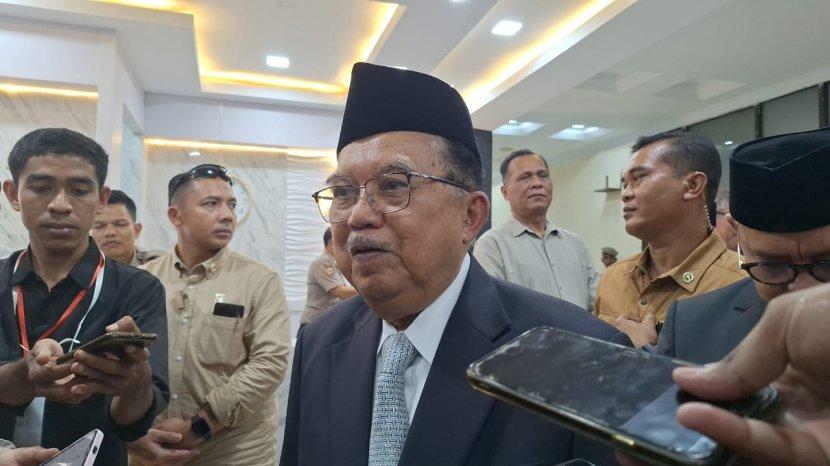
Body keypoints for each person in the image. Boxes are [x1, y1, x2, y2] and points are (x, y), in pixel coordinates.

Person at [281, 62, 630, 466]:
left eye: (393, 186)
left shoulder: (581, 355)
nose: (358, 215)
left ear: (470, 216)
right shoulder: (320, 342)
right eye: (343, 192)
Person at [0, 128, 169, 465]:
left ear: (101, 200)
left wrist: (135, 384)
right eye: (41, 188)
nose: (60, 205)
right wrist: (25, 374)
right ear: (13, 194)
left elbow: (132, 422)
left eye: (79, 190)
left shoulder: (139, 288)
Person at [130, 163, 291, 465]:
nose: (227, 215)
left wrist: (201, 425)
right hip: (152, 451)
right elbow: (122, 362)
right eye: (211, 204)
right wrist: (133, 436)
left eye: (231, 205)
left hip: (235, 453)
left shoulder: (259, 280)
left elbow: (269, 363)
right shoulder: (143, 280)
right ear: (175, 215)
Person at [659, 128, 830, 363]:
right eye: (774, 266)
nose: (803, 290)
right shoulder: (690, 327)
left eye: (827, 264)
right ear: (737, 232)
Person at [594, 131, 745, 348]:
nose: (625, 194)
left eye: (638, 178)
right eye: (625, 183)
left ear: (692, 185)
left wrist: (645, 353)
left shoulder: (742, 283)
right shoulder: (614, 278)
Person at [473, 149, 598, 311]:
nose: (537, 183)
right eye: (525, 177)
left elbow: (598, 305)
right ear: (505, 192)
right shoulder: (492, 245)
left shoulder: (576, 244)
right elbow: (490, 309)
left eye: (543, 175)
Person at [299, 227, 357, 330]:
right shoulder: (322, 263)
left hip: (325, 323)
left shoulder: (333, 263)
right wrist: (366, 290)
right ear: (331, 242)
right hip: (314, 325)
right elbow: (341, 293)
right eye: (344, 241)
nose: (347, 246)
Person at [90, 189, 164, 266]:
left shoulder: (160, 265)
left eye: (120, 224)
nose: (110, 233)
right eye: (99, 226)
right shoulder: (81, 267)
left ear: (136, 230)